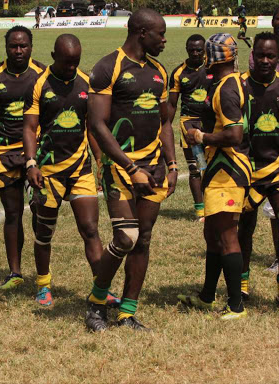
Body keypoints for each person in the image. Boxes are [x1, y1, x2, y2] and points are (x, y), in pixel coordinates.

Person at [85, 8, 177, 331]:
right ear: (141, 32)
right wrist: (129, 166)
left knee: (144, 239)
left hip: (153, 168)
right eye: (160, 34)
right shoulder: (107, 67)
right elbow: (96, 124)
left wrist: (173, 163)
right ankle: (96, 303)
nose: (164, 40)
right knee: (126, 237)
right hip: (121, 168)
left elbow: (165, 120)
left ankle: (127, 311)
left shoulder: (158, 71)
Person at [22, 34, 111, 307]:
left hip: (80, 169)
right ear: (53, 56)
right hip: (48, 172)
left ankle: (101, 288)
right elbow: (29, 127)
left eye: (76, 62)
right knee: (44, 232)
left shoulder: (86, 83)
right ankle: (43, 285)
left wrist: (100, 163)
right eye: (66, 62)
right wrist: (31, 163)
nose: (72, 67)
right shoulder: (39, 84)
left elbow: (94, 127)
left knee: (90, 229)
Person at [179, 33, 250, 320]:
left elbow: (234, 134)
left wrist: (202, 136)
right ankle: (207, 296)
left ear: (214, 56)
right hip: (217, 168)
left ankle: (236, 306)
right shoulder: (222, 83)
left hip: (228, 171)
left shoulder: (228, 88)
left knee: (226, 235)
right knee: (212, 234)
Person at [0, 26, 46, 289]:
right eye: (13, 46)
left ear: (31, 46)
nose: (18, 51)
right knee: (13, 214)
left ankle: (43, 273)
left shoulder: (41, 73)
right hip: (5, 153)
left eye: (23, 46)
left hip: (35, 152)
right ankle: (15, 273)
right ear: (6, 47)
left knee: (40, 208)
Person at [237, 33, 279, 302]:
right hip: (245, 170)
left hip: (275, 168)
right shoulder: (239, 86)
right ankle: (241, 285)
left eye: (271, 56)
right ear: (253, 56)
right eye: (260, 55)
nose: (265, 60)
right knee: (244, 230)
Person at [169, 34, 213, 221]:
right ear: (187, 49)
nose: (195, 53)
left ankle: (213, 207)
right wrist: (165, 126)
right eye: (191, 49)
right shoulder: (179, 72)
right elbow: (172, 104)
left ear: (205, 50)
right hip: (189, 124)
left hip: (210, 122)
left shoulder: (213, 68)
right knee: (196, 167)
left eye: (199, 50)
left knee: (212, 166)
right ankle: (200, 210)